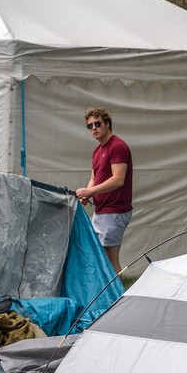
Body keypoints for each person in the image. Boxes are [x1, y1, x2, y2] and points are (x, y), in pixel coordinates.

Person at [76, 108, 133, 275]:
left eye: (97, 124)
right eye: (90, 126)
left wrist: (90, 191)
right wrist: (87, 193)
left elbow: (118, 179)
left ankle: (120, 298)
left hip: (115, 211)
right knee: (102, 260)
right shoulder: (97, 150)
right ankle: (113, 297)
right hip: (102, 211)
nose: (94, 128)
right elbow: (94, 178)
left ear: (107, 124)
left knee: (109, 260)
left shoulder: (118, 146)